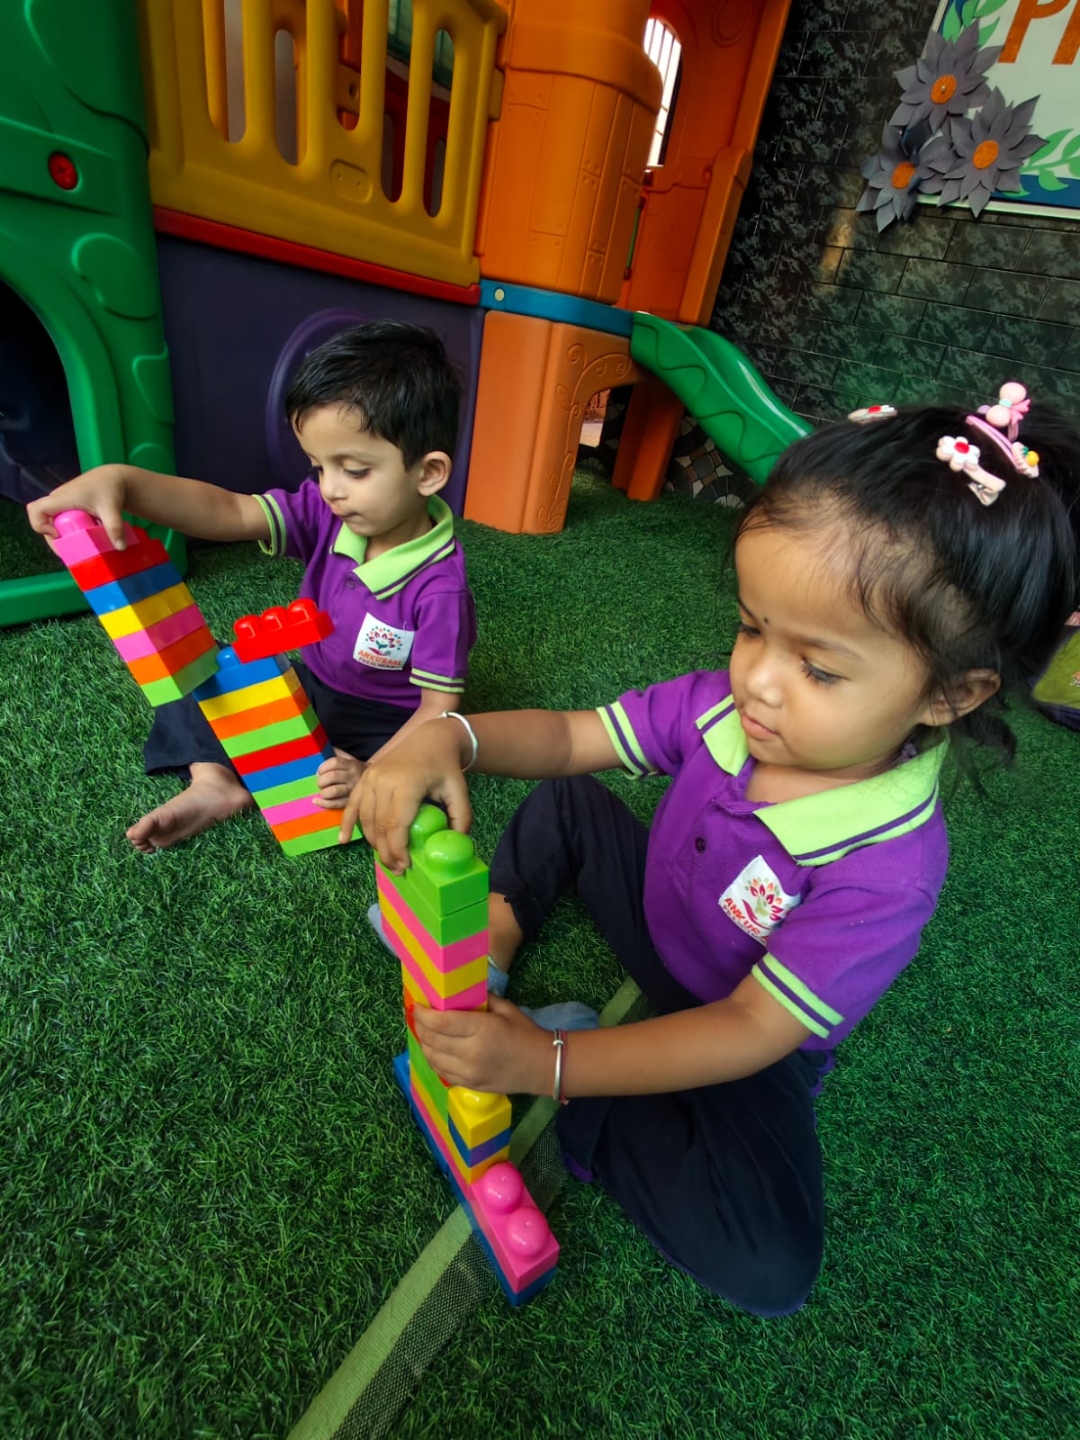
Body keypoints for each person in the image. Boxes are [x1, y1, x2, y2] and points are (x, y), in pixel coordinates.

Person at [341, 388, 1080, 1316]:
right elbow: (574, 741)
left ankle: (600, 1088)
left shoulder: (888, 872)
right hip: (667, 921)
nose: (759, 680)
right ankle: (491, 936)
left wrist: (553, 1066)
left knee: (771, 1264)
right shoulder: (728, 708)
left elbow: (746, 1031)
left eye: (818, 668)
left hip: (749, 1035)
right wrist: (454, 738)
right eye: (751, 626)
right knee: (571, 800)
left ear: (949, 696)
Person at [28, 320, 475, 852]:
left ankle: (354, 776)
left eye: (354, 470)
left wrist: (377, 770)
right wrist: (124, 483)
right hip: (310, 682)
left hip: (383, 720)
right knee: (198, 667)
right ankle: (214, 784)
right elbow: (230, 510)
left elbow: (437, 711)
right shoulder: (327, 512)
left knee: (376, 779)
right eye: (318, 466)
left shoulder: (439, 589)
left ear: (427, 474)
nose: (330, 488)